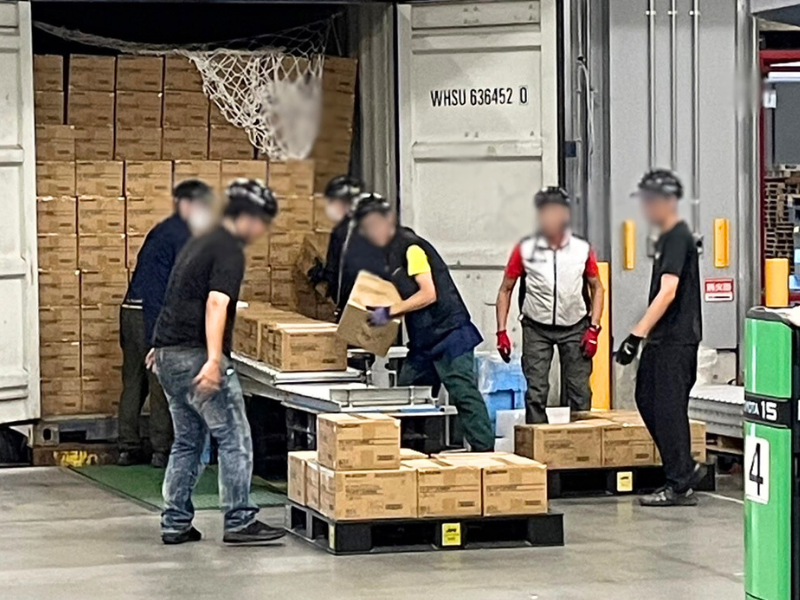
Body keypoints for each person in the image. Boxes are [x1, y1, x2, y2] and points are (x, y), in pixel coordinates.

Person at [153, 179, 285, 545]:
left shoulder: (198, 242)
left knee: (187, 441)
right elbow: (216, 303)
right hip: (196, 355)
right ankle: (239, 519)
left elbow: (175, 295)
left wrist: (160, 347)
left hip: (169, 354)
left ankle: (175, 522)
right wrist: (213, 359)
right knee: (234, 435)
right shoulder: (228, 249)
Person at [355, 193, 494, 452]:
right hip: (424, 342)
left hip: (449, 334)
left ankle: (485, 453)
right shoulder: (387, 257)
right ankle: (410, 453)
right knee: (406, 396)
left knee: (463, 394)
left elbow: (429, 294)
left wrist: (389, 312)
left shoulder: (411, 248)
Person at [616, 169, 705, 507]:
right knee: (647, 398)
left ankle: (680, 481)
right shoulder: (670, 236)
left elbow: (668, 292)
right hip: (664, 338)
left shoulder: (675, 237)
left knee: (666, 407)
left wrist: (635, 335)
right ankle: (683, 468)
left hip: (674, 339)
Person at [118, 180, 215, 468]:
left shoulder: (161, 230)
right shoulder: (185, 236)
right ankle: (161, 450)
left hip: (130, 308)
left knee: (133, 381)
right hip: (152, 311)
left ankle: (127, 447)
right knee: (161, 380)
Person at [495, 187, 604, 424]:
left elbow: (597, 288)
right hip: (536, 327)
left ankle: (582, 442)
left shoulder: (581, 249)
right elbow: (505, 290)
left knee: (579, 391)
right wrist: (501, 331)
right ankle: (538, 441)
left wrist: (594, 328)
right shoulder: (525, 250)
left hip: (575, 326)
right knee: (536, 391)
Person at [307, 175, 388, 315]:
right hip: (382, 301)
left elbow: (336, 271)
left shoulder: (343, 231)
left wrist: (320, 274)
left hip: (353, 301)